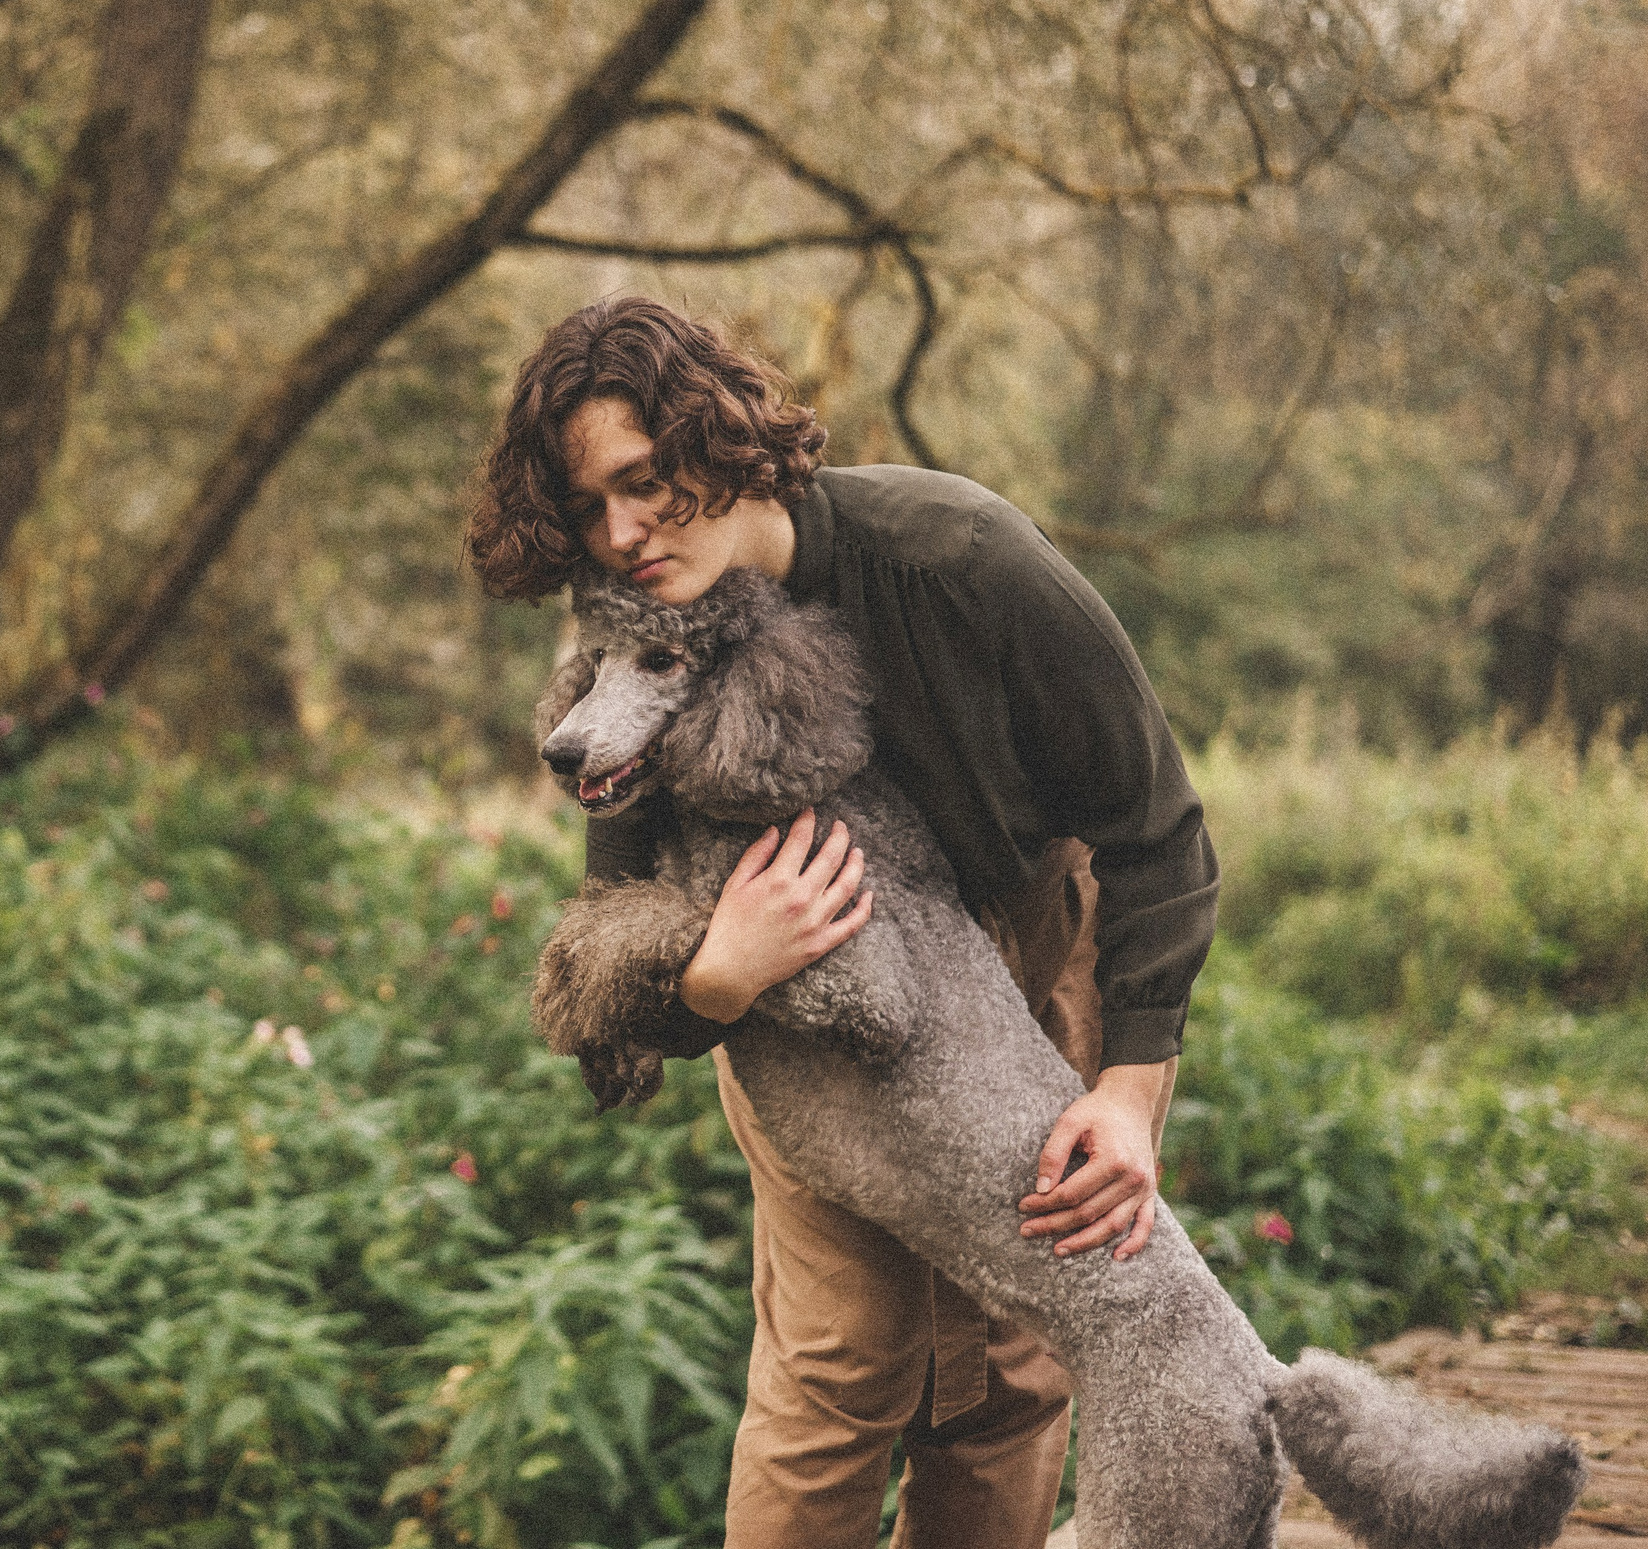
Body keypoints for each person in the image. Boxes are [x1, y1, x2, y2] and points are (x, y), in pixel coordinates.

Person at [464, 295, 1218, 1549]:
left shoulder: (960, 554)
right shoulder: (632, 627)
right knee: (838, 1360)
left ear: (715, 433)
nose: (621, 531)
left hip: (1028, 953)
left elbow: (1157, 824)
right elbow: (607, 937)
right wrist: (716, 973)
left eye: (643, 481)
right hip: (786, 995)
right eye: (589, 508)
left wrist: (1131, 1092)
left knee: (1017, 1356)